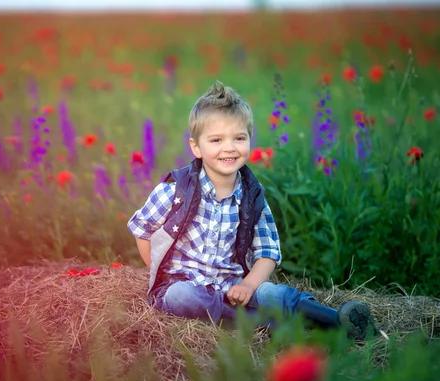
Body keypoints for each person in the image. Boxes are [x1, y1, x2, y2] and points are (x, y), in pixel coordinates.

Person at [127, 81, 377, 341]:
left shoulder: (252, 197)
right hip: (185, 284)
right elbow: (141, 228)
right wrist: (157, 272)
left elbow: (268, 252)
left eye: (239, 138)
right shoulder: (176, 190)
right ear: (196, 147)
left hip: (233, 287)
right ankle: (262, 323)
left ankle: (339, 320)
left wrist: (248, 285)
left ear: (249, 140)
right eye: (216, 140)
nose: (229, 147)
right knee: (182, 297)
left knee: (272, 293)